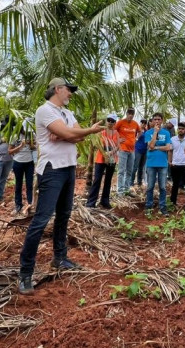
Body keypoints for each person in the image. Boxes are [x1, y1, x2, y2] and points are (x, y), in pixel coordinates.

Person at [18, 78, 104, 295]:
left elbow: (74, 137)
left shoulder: (67, 113)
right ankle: (25, 272)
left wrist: (68, 134)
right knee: (41, 219)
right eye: (69, 90)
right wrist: (82, 132)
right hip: (52, 169)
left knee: (64, 215)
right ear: (57, 89)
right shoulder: (45, 111)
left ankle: (60, 257)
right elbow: (69, 134)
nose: (71, 94)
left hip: (69, 167)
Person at [86, 114, 119, 209]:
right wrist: (105, 155)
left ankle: (105, 201)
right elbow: (98, 144)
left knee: (108, 181)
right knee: (97, 180)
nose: (110, 122)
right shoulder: (101, 131)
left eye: (113, 121)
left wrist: (110, 153)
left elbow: (117, 145)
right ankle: (91, 203)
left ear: (115, 123)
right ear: (106, 121)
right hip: (100, 159)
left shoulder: (116, 133)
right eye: (109, 120)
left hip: (112, 159)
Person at [144, 113, 172, 215]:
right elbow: (150, 146)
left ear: (162, 120)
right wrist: (155, 132)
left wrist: (156, 147)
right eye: (155, 119)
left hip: (163, 164)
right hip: (151, 163)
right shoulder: (148, 133)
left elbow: (168, 147)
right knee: (150, 186)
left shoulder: (166, 133)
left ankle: (163, 207)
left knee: (163, 187)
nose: (157, 121)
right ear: (152, 121)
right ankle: (149, 206)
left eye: (159, 119)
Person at [114, 108, 141, 196]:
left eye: (132, 114)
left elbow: (139, 131)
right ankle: (120, 191)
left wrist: (136, 139)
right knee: (121, 170)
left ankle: (126, 189)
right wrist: (118, 140)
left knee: (130, 171)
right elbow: (113, 131)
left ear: (133, 115)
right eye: (129, 113)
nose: (130, 115)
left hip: (132, 150)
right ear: (126, 113)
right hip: (122, 149)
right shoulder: (121, 122)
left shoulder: (135, 124)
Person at [10, 126, 36, 215]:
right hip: (18, 162)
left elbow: (36, 147)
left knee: (29, 184)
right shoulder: (15, 136)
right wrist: (21, 146)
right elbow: (10, 151)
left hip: (29, 163)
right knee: (18, 184)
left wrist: (31, 145)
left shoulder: (32, 135)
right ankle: (18, 206)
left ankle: (30, 205)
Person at [168, 122, 185, 209]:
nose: (180, 130)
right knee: (175, 184)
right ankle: (172, 202)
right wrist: (170, 162)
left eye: (182, 129)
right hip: (175, 165)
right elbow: (170, 151)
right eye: (179, 129)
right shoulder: (173, 139)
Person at [132, 119, 148, 192]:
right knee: (135, 166)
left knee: (141, 167)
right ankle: (131, 182)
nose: (144, 124)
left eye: (145, 123)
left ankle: (139, 182)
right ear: (140, 123)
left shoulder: (147, 131)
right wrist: (139, 133)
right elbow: (135, 139)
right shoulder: (136, 130)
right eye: (142, 123)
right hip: (137, 150)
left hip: (144, 151)